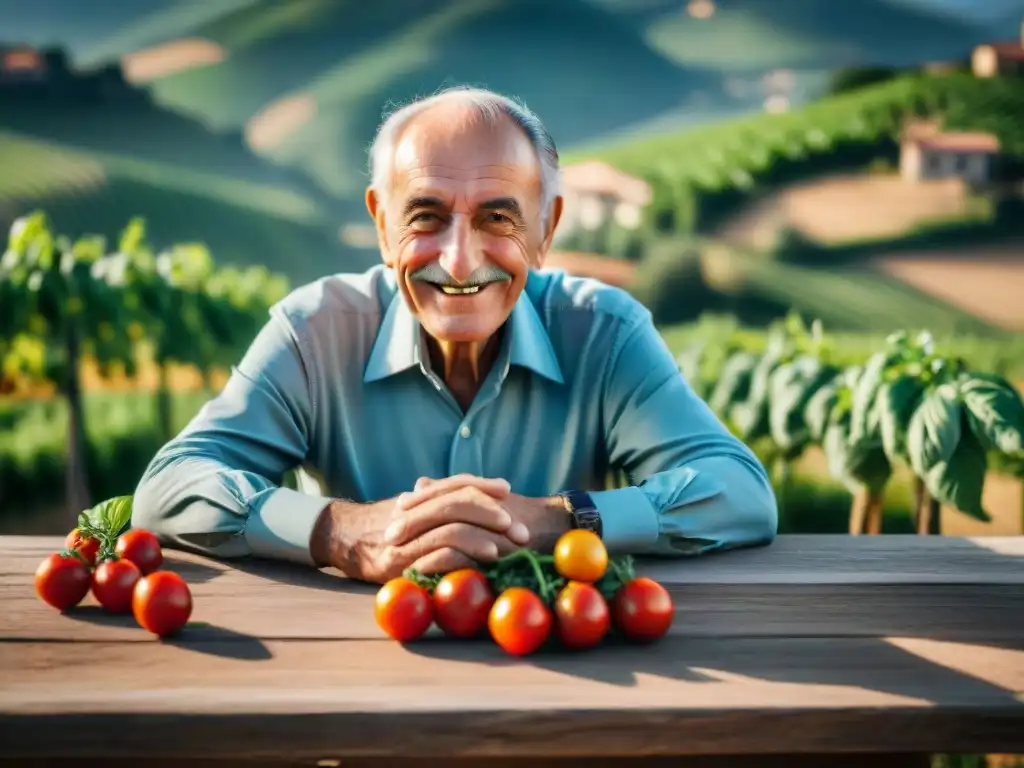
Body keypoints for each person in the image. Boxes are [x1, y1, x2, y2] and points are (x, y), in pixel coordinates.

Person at [132, 86, 777, 584]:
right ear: (383, 226)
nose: (461, 261)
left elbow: (740, 492)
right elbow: (169, 485)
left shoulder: (605, 333)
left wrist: (557, 518)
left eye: (499, 218)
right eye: (426, 217)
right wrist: (340, 530)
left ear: (546, 230)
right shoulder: (313, 333)